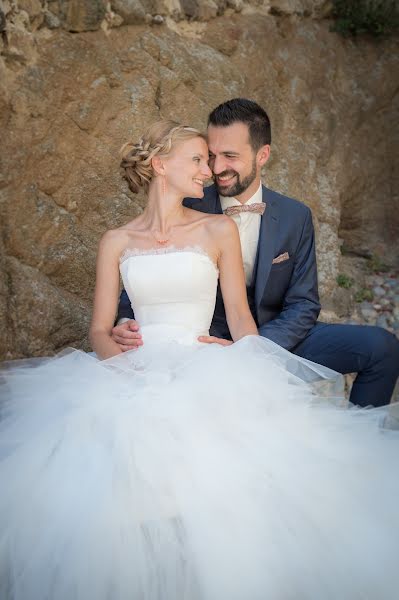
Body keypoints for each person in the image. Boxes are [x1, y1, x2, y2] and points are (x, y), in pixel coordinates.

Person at [1, 120, 398, 600]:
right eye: (197, 159)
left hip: (204, 366)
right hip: (131, 370)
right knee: (109, 484)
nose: (208, 171)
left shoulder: (218, 228)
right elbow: (99, 329)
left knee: (220, 478)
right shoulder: (116, 241)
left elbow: (241, 317)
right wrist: (117, 361)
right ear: (159, 165)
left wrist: (241, 356)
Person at [113, 99, 399, 408]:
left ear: (262, 155)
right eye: (211, 156)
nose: (216, 168)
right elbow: (149, 275)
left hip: (278, 340)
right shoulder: (188, 204)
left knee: (382, 348)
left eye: (230, 156)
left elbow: (303, 304)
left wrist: (250, 349)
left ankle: (359, 440)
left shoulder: (295, 216)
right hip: (202, 347)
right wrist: (126, 321)